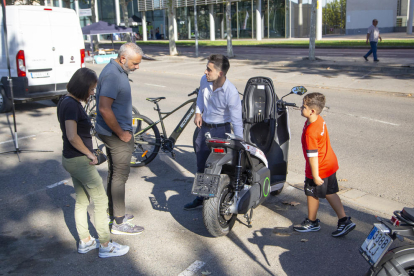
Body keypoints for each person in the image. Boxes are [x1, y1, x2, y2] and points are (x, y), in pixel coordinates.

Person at [58, 68, 129, 257]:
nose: (92, 93)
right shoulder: (72, 105)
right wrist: (90, 154)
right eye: (91, 89)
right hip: (79, 159)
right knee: (100, 200)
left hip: (70, 158)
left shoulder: (65, 100)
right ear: (82, 87)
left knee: (81, 201)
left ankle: (86, 241)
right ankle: (106, 245)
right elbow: (73, 136)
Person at [95, 43, 145, 235]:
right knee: (120, 175)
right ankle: (118, 222)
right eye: (135, 63)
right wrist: (122, 133)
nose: (137, 67)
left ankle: (114, 212)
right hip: (115, 134)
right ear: (123, 58)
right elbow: (104, 108)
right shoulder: (113, 75)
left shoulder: (118, 70)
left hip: (113, 132)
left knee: (115, 173)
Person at [184, 54, 243, 210]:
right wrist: (198, 112)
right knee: (201, 163)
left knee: (218, 167)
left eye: (209, 70)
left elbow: (237, 121)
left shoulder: (231, 92)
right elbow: (199, 98)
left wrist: (239, 143)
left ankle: (215, 202)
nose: (205, 72)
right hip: (204, 129)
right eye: (206, 68)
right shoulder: (205, 81)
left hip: (221, 130)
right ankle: (201, 197)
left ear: (221, 73)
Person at [293, 92, 356, 237]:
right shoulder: (318, 120)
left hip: (318, 167)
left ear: (312, 111)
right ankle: (344, 220)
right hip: (329, 163)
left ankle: (312, 222)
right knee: (330, 192)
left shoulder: (311, 131)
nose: (301, 108)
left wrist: (315, 175)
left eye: (304, 106)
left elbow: (313, 155)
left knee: (311, 193)